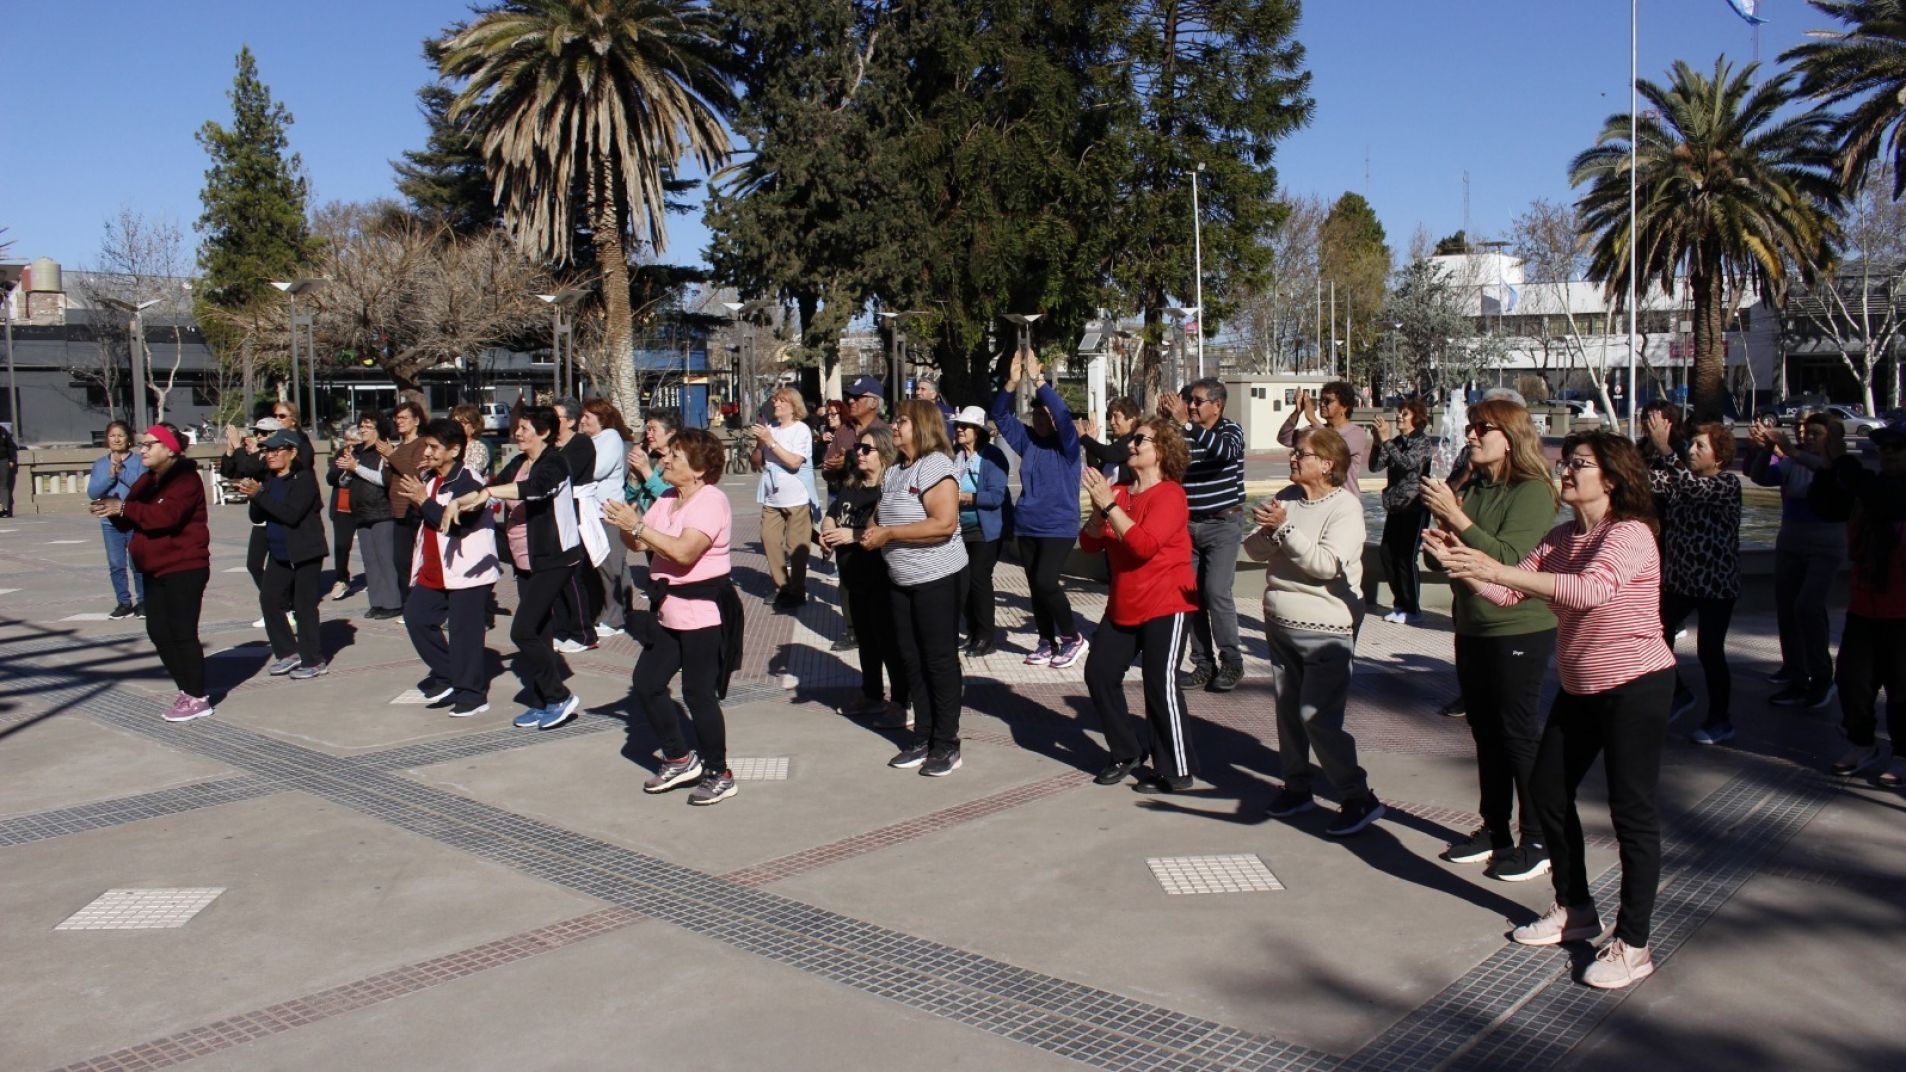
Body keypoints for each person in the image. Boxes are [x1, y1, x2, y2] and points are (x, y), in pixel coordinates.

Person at [1428, 431, 1676, 990]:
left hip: (1637, 685)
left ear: (1610, 478)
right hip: (1580, 686)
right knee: (1546, 792)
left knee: (1631, 813)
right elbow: (1510, 593)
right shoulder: (1564, 536)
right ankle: (1575, 909)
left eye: (1578, 465)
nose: (1566, 473)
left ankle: (1633, 944)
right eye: (1566, 465)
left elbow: (1590, 591)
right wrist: (1460, 563)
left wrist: (1494, 570)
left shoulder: (1631, 534)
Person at [1419, 398, 1560, 881]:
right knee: (1484, 731)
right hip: (1473, 622)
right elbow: (1464, 554)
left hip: (1519, 626)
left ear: (1511, 436)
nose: (1471, 435)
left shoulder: (1534, 491)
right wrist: (1440, 548)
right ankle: (1494, 828)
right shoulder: (1476, 484)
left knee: (1517, 733)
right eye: (1471, 426)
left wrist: (1455, 519)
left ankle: (1538, 839)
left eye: (1483, 428)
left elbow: (1508, 557)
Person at [1247, 426, 1385, 836]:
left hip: (1326, 627)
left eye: (1301, 453)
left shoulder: (1346, 508)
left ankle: (1358, 797)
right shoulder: (1288, 500)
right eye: (1294, 452)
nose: (1293, 458)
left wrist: (1285, 530)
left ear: (1327, 464)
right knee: (1288, 713)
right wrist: (1272, 530)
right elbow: (1253, 550)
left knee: (1317, 717)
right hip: (1280, 623)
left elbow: (1327, 565)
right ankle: (1297, 786)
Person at [603, 428, 744, 806]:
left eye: (675, 456)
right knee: (647, 682)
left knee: (698, 695)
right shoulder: (666, 497)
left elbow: (684, 552)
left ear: (699, 469)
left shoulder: (711, 501)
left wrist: (638, 528)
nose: (664, 460)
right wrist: (629, 525)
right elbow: (640, 541)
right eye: (667, 455)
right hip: (668, 611)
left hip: (704, 612)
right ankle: (680, 758)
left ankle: (719, 772)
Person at [1079, 418, 1201, 793]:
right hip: (1125, 600)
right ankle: (1126, 751)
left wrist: (1110, 505)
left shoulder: (1170, 495)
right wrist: (1102, 511)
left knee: (1159, 683)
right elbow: (1088, 544)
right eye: (1131, 439)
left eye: (1139, 440)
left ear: (1161, 449)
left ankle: (1176, 769)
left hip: (1167, 600)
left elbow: (1144, 545)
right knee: (1099, 673)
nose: (1130, 444)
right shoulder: (1119, 492)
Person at [452, 406, 584, 730]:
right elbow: (492, 486)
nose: (518, 433)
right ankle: (542, 701)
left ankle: (559, 695)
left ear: (543, 432)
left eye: (525, 428)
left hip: (554, 557)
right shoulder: (520, 462)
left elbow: (535, 489)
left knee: (522, 630)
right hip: (526, 559)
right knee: (540, 631)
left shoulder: (554, 462)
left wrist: (489, 492)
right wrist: (460, 502)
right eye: (518, 427)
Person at [861, 400, 969, 775]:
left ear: (921, 426)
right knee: (910, 658)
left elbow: (943, 523)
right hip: (900, 579)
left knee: (937, 660)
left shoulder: (936, 465)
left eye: (902, 421)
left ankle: (947, 743)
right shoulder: (896, 470)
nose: (894, 426)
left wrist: (890, 533)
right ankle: (923, 737)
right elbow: (884, 511)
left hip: (936, 578)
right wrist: (867, 530)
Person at [93, 424, 214, 722]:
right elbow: (133, 514)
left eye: (149, 445)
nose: (142, 450)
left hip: (184, 566)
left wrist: (123, 509)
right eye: (142, 445)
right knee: (158, 630)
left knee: (183, 632)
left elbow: (165, 517)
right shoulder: (146, 480)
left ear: (170, 449)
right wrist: (112, 512)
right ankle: (185, 689)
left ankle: (198, 696)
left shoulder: (185, 479)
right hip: (153, 567)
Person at [1643, 412, 1742, 745]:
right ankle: (1678, 693)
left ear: (1720, 456)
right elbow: (1642, 479)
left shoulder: (1726, 484)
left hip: (1715, 585)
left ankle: (1721, 719)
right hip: (1679, 583)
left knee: (1710, 651)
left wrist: (1665, 449)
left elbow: (1691, 487)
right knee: (1655, 635)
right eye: (1692, 444)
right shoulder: (1677, 480)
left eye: (1701, 446)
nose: (1692, 450)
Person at [1819, 419, 1906, 784]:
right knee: (1853, 679)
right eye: (1882, 446)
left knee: (1902, 688)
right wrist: (1827, 462)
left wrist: (1841, 459)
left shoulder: (1886, 492)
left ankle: (1902, 753)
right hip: (1864, 605)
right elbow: (1827, 505)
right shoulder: (1871, 487)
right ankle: (1861, 741)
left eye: (1896, 446)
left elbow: (1882, 500)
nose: (1886, 453)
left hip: (1902, 612)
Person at [394, 418, 499, 717]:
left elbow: (454, 525)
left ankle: (473, 695)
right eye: (427, 445)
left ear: (454, 450)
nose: (427, 451)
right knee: (416, 617)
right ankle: (449, 674)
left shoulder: (469, 482)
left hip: (467, 571)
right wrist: (420, 499)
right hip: (434, 569)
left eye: (434, 447)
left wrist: (422, 501)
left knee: (464, 634)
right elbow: (426, 518)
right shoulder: (432, 479)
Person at [1747, 412, 1851, 709]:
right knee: (1788, 606)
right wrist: (1767, 449)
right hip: (1791, 542)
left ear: (1831, 438)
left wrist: (1789, 450)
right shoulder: (1794, 463)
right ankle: (1796, 671)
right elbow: (1760, 477)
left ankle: (1821, 678)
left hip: (1825, 546)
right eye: (1807, 432)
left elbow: (1825, 470)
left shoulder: (1837, 467)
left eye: (1816, 433)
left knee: (1808, 605)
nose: (1807, 437)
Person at [990, 348, 1086, 668]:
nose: (1043, 419)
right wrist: (1011, 383)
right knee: (1036, 587)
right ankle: (1047, 640)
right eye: (1038, 415)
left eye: (1047, 415)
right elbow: (1000, 416)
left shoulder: (1068, 445)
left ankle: (1073, 637)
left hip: (1058, 526)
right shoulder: (1027, 440)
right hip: (1027, 524)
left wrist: (1039, 380)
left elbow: (1062, 414)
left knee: (1046, 581)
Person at [819, 426, 910, 720]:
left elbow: (889, 530)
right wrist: (828, 527)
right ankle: (871, 693)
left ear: (883, 453)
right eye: (858, 447)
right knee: (866, 642)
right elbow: (835, 511)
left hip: (880, 578)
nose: (858, 452)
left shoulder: (888, 491)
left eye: (866, 449)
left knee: (888, 641)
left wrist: (853, 535)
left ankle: (901, 701)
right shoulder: (853, 483)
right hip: (853, 577)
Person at [1163, 378, 1247, 692]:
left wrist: (1187, 425)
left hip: (1222, 525)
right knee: (1190, 595)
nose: (1193, 406)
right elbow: (1164, 460)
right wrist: (1167, 423)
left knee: (1215, 592)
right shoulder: (1184, 433)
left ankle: (1232, 661)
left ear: (1217, 405)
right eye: (1191, 401)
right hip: (1189, 526)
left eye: (1198, 401)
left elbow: (1225, 453)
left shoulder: (1230, 431)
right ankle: (1202, 662)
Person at [240, 429, 329, 678]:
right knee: (269, 600)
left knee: (304, 606)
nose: (270, 455)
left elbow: (291, 514)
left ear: (292, 453)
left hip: (305, 551)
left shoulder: (304, 479)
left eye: (276, 450)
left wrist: (260, 496)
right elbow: (258, 517)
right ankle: (288, 653)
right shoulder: (269, 479)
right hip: (279, 552)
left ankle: (314, 660)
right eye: (267, 450)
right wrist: (254, 496)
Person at [952, 406, 1011, 656]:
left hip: (985, 530)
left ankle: (986, 638)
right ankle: (973, 632)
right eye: (958, 425)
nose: (959, 430)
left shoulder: (993, 456)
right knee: (963, 583)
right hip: (959, 529)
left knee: (979, 579)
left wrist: (965, 497)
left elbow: (996, 497)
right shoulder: (956, 456)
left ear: (978, 431)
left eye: (965, 426)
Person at [753, 386, 817, 610]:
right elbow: (756, 463)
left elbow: (793, 462)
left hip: (797, 497)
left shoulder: (801, 430)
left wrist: (770, 441)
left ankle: (797, 590)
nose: (776, 405)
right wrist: (760, 445)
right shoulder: (770, 429)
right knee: (769, 540)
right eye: (774, 401)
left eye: (781, 401)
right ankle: (781, 587)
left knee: (796, 547)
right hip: (772, 498)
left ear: (793, 406)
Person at [1370, 399, 1433, 624]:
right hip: (1395, 507)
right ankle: (1400, 604)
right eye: (1399, 413)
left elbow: (1407, 463)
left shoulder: (1422, 442)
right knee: (1387, 554)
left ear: (1416, 418)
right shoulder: (1396, 441)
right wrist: (1378, 442)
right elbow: (1375, 466)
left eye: (1404, 414)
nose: (1399, 417)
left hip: (1414, 507)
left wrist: (1387, 440)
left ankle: (1412, 608)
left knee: (1406, 557)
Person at [335, 413, 404, 620]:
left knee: (385, 559)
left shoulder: (384, 451)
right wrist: (348, 470)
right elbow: (343, 481)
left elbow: (383, 480)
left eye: (367, 426)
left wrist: (356, 468)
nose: (362, 430)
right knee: (370, 561)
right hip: (361, 512)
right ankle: (377, 602)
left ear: (378, 429)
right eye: (361, 426)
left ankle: (393, 602)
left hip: (382, 511)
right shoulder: (357, 451)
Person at [549, 398, 604, 653]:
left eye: (555, 417)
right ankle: (561, 629)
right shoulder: (550, 444)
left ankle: (584, 632)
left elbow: (563, 473)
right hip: (553, 516)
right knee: (556, 576)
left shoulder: (580, 444)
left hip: (576, 515)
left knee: (573, 575)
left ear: (570, 421)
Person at [580, 398, 633, 636]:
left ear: (601, 419)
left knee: (610, 565)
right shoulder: (593, 440)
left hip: (607, 512)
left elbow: (597, 470)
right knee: (607, 565)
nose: (582, 421)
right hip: (594, 512)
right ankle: (613, 613)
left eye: (587, 417)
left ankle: (615, 619)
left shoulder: (610, 438)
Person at [88, 420, 147, 618]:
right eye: (112, 435)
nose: (116, 439)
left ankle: (143, 601)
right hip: (110, 522)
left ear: (128, 438)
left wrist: (122, 472)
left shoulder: (139, 461)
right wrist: (110, 476)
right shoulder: (100, 464)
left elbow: (142, 488)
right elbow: (93, 491)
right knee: (116, 564)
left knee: (137, 562)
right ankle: (123, 602)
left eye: (120, 435)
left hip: (134, 519)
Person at [1279, 381, 1371, 492]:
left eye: (1328, 401)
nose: (1322, 404)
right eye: (1321, 400)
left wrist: (1313, 419)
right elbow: (1284, 437)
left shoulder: (1356, 433)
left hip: (1343, 502)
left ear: (1344, 407)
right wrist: (1297, 412)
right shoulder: (1313, 430)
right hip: (1316, 499)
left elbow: (1336, 448)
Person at [323, 421, 359, 602]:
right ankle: (341, 578)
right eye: (347, 440)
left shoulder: (365, 455)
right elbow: (330, 478)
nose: (349, 444)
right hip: (342, 506)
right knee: (341, 546)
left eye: (353, 441)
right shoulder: (340, 454)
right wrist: (342, 467)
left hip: (363, 506)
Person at [1079, 397, 1141, 484]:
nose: (1111, 422)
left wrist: (1085, 438)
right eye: (1110, 417)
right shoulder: (1117, 447)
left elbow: (1108, 454)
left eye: (1116, 416)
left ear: (1132, 419)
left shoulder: (1135, 441)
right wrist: (1090, 445)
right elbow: (1097, 473)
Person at [626, 408, 678, 512]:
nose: (649, 434)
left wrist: (645, 470)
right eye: (648, 429)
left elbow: (671, 498)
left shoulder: (680, 461)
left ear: (671, 432)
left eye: (653, 429)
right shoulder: (651, 458)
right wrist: (635, 476)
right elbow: (630, 498)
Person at [452, 402, 492, 478]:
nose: (456, 426)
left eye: (462, 422)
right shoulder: (448, 446)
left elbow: (468, 476)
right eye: (454, 422)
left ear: (474, 426)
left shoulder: (479, 449)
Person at [0, 419, 17, 517]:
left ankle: (5, 510)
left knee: (4, 486)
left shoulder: (3, 431)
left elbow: (10, 446)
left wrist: (11, 460)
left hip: (3, 460)